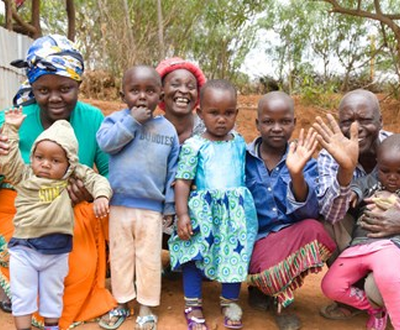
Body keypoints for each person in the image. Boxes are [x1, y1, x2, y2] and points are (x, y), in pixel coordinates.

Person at [0, 34, 116, 329]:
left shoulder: (93, 119)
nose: (54, 98)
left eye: (65, 88)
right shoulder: (12, 119)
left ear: (78, 84)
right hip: (20, 213)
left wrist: (88, 194)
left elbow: (108, 173)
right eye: (43, 90)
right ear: (33, 88)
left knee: (74, 272)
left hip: (68, 215)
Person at [168, 79, 258, 330]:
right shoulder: (194, 146)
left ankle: (230, 301)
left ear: (236, 114)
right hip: (202, 212)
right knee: (193, 254)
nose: (221, 119)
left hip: (236, 212)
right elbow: (183, 181)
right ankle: (192, 303)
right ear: (200, 113)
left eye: (228, 113)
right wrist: (182, 213)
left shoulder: (239, 142)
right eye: (214, 112)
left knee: (235, 254)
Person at [96, 65, 180, 330]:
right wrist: (132, 121)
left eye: (150, 91)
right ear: (123, 96)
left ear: (161, 96)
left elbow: (173, 171)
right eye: (135, 91)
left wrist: (169, 204)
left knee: (149, 259)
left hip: (152, 210)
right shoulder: (114, 121)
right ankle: (121, 303)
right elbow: (107, 144)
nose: (142, 96)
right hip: (119, 205)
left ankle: (146, 306)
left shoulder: (167, 130)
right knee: (121, 257)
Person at [245, 91, 336, 330]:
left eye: (284, 121)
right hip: (253, 242)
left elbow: (308, 213)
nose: (276, 128)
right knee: (263, 268)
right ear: (257, 124)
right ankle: (259, 286)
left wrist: (297, 174)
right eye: (268, 121)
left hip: (289, 239)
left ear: (294, 123)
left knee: (315, 228)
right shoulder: (242, 157)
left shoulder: (306, 160)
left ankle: (280, 302)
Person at [313, 89, 398, 321]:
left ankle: (378, 295)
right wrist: (346, 171)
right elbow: (330, 214)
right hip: (360, 239)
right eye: (347, 121)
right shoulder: (330, 155)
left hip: (395, 245)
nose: (355, 128)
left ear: (380, 121)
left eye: (365, 120)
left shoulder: (397, 149)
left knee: (378, 289)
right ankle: (354, 289)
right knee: (323, 224)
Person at [321, 134, 400, 330]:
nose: (392, 177)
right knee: (331, 285)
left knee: (390, 282)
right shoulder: (371, 182)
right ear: (377, 165)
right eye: (385, 171)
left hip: (388, 248)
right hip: (358, 247)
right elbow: (356, 187)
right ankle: (375, 309)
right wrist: (354, 194)